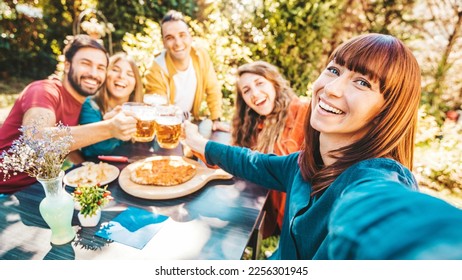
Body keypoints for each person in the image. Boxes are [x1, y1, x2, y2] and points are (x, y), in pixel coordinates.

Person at [183, 33, 462, 259]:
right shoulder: (301, 164)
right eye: (333, 69)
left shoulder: (368, 181)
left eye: (362, 82)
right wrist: (200, 143)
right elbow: (252, 162)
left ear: (387, 111)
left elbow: (390, 221)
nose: (331, 88)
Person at [0, 35, 137, 194]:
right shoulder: (44, 91)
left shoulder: (79, 103)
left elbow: (67, 143)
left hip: (40, 188)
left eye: (100, 68)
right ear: (67, 65)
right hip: (5, 192)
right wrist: (109, 128)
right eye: (86, 64)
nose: (93, 73)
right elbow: (37, 139)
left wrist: (90, 168)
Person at [232, 61, 309, 238]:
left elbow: (282, 163)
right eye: (246, 90)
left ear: (274, 82)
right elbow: (238, 156)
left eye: (259, 83)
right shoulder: (255, 125)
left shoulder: (304, 112)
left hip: (301, 222)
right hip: (275, 217)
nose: (255, 93)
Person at [143, 9, 229, 132]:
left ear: (190, 37)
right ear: (163, 43)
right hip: (165, 128)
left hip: (190, 123)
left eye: (182, 35)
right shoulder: (156, 70)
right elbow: (160, 110)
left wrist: (216, 118)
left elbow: (213, 89)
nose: (178, 43)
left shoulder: (200, 56)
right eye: (170, 38)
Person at [79, 52, 144, 158]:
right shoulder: (91, 106)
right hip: (95, 170)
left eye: (130, 74)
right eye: (115, 70)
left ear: (136, 84)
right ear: (105, 75)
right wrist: (111, 128)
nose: (121, 76)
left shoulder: (140, 110)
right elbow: (97, 149)